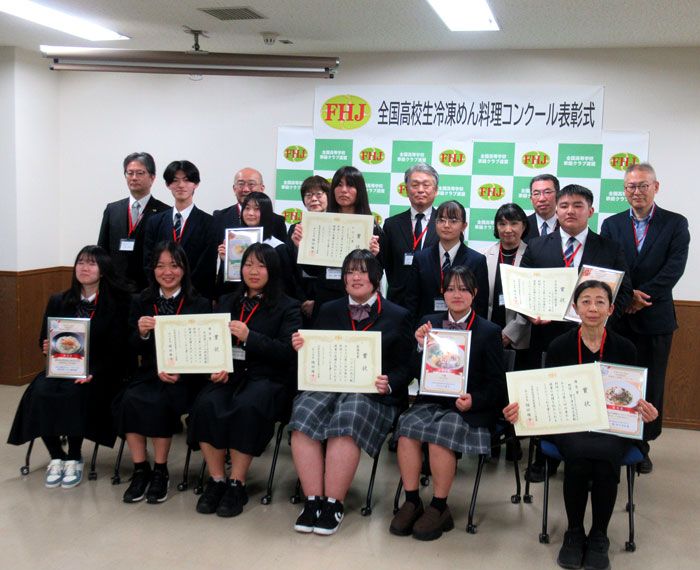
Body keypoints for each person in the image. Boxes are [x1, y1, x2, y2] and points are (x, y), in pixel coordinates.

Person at [503, 280, 658, 570]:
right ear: (575, 308)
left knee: (606, 455)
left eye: (600, 301)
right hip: (570, 424)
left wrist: (645, 410)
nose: (593, 308)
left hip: (612, 426)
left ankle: (599, 535)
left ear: (611, 309)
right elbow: (545, 393)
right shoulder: (560, 346)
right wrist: (521, 409)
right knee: (578, 452)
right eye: (586, 301)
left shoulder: (625, 348)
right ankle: (574, 533)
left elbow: (634, 396)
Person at [289, 250, 411, 535]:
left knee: (349, 416)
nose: (356, 277)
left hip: (373, 395)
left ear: (376, 278)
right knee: (302, 413)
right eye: (350, 272)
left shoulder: (398, 315)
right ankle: (312, 501)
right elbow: (315, 353)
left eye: (363, 271)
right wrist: (301, 348)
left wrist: (390, 382)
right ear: (343, 278)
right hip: (329, 387)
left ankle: (333, 503)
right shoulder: (328, 310)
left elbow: (407, 365)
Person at [519, 184, 632, 482]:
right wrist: (528, 311)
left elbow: (623, 294)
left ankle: (589, 456)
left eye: (578, 205)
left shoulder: (609, 248)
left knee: (588, 399)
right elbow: (523, 292)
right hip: (548, 339)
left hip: (593, 341)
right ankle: (545, 458)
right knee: (549, 399)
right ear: (556, 210)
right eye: (565, 205)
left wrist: (600, 322)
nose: (570, 211)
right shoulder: (536, 246)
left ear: (590, 211)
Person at [390, 266, 506, 541]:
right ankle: (412, 500)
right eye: (451, 288)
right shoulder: (429, 324)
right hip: (431, 402)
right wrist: (420, 346)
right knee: (406, 428)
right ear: (442, 293)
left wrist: (474, 400)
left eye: (463, 289)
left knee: (439, 435)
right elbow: (413, 372)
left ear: (474, 293)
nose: (457, 294)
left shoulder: (489, 331)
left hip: (468, 410)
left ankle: (439, 506)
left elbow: (498, 387)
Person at [188, 243, 301, 517]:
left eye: (261, 266)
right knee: (205, 404)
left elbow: (286, 352)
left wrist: (251, 337)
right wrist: (215, 367)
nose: (253, 271)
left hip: (267, 378)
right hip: (230, 374)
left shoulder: (288, 306)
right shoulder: (228, 301)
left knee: (247, 407)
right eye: (248, 264)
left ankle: (237, 483)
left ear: (272, 271)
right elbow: (212, 342)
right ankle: (217, 480)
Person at [8, 246, 131, 489]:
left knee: (75, 392)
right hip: (62, 367)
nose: (84, 268)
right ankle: (57, 455)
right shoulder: (59, 300)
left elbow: (119, 350)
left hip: (99, 371)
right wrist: (46, 346)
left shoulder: (117, 304)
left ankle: (74, 456)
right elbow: (44, 339)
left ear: (103, 270)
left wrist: (93, 372)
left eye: (91, 264)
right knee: (39, 392)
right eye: (80, 263)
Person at [600, 163, 689, 473]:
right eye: (630, 186)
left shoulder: (675, 223)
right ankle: (616, 439)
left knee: (651, 385)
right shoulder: (611, 224)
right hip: (620, 318)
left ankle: (642, 445)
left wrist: (642, 296)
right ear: (624, 190)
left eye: (642, 185)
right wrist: (628, 296)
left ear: (656, 187)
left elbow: (674, 268)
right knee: (617, 382)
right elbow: (609, 266)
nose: (636, 191)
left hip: (655, 318)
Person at [114, 241, 211, 504]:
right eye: (160, 266)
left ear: (184, 269)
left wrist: (181, 374)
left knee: (160, 401)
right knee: (129, 400)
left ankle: (160, 470)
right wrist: (142, 333)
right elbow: (130, 344)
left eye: (174, 266)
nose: (167, 272)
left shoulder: (199, 303)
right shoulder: (141, 301)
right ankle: (140, 469)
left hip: (185, 377)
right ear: (153, 270)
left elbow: (205, 350)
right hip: (149, 371)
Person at [292, 166, 381, 321]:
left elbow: (380, 272)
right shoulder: (321, 223)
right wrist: (302, 248)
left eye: (350, 185)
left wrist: (373, 257)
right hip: (326, 296)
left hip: (360, 299)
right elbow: (313, 271)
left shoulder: (372, 228)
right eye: (339, 185)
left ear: (359, 190)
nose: (343, 190)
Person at [404, 200, 489, 324]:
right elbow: (412, 300)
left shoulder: (476, 260)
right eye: (441, 220)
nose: (446, 225)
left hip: (463, 328)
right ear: (435, 223)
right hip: (427, 327)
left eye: (453, 221)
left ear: (464, 226)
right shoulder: (421, 258)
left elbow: (480, 304)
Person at [143, 160, 218, 300]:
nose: (181, 185)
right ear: (168, 184)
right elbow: (148, 260)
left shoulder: (209, 223)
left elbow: (207, 265)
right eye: (175, 180)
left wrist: (184, 291)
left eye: (187, 180)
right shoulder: (155, 222)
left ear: (196, 184)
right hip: (161, 295)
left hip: (196, 297)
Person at [97, 152, 170, 290]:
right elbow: (102, 249)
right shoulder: (112, 209)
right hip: (115, 286)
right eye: (130, 173)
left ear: (152, 178)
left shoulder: (164, 212)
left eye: (140, 173)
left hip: (148, 287)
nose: (134, 177)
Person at [217, 192, 303, 300]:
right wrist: (227, 261)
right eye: (247, 208)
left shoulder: (278, 247)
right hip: (239, 300)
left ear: (266, 213)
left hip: (270, 302)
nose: (250, 213)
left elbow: (287, 283)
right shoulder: (234, 243)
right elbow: (229, 284)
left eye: (257, 209)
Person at [380, 163, 440, 308]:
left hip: (433, 303)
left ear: (436, 190)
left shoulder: (446, 224)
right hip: (399, 302)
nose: (420, 190)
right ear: (406, 190)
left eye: (426, 185)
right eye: (415, 185)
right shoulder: (391, 225)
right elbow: (386, 264)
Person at [482, 203, 530, 368]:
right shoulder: (484, 255)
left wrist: (510, 333)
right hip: (488, 332)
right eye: (502, 224)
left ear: (523, 226)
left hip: (520, 338)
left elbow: (532, 301)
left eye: (514, 223)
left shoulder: (532, 255)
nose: (508, 229)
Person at [287, 175, 330, 324]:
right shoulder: (295, 229)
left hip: (329, 298)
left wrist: (318, 300)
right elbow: (289, 268)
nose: (314, 199)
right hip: (299, 299)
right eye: (308, 195)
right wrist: (302, 300)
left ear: (328, 196)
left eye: (319, 194)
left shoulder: (337, 226)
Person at [212, 167, 287, 244]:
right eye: (241, 184)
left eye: (251, 184)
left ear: (262, 189)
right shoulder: (219, 217)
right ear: (234, 188)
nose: (246, 189)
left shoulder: (277, 221)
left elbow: (282, 250)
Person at [523, 174, 559, 242]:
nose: (542, 199)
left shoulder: (567, 225)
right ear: (531, 199)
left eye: (547, 192)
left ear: (558, 196)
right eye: (536, 193)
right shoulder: (522, 226)